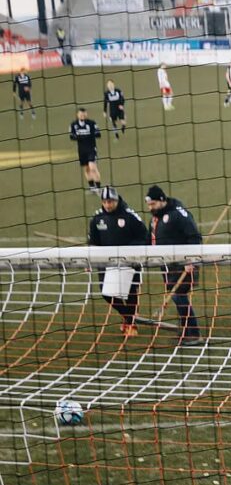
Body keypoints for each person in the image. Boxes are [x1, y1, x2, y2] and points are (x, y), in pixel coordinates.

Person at [145, 185, 204, 347]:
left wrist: (190, 260)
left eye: (153, 204)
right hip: (167, 265)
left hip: (183, 264)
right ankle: (185, 331)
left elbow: (194, 236)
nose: (151, 208)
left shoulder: (178, 214)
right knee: (178, 296)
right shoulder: (156, 217)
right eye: (149, 205)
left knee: (179, 295)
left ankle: (194, 334)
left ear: (162, 201)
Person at [87, 186, 149, 338]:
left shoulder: (130, 216)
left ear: (116, 200)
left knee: (130, 293)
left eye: (110, 202)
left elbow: (145, 237)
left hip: (129, 261)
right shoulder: (97, 218)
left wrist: (128, 250)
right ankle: (129, 317)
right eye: (105, 202)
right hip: (106, 262)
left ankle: (131, 324)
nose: (107, 205)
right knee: (107, 293)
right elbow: (92, 243)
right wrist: (89, 260)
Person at [69, 107, 103, 190]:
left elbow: (98, 134)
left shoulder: (92, 123)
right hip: (81, 150)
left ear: (86, 114)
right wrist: (79, 137)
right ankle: (92, 186)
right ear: (77, 115)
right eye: (81, 114)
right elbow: (71, 136)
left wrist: (89, 135)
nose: (82, 115)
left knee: (92, 167)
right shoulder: (73, 124)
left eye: (84, 114)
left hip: (91, 148)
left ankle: (98, 187)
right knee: (87, 169)